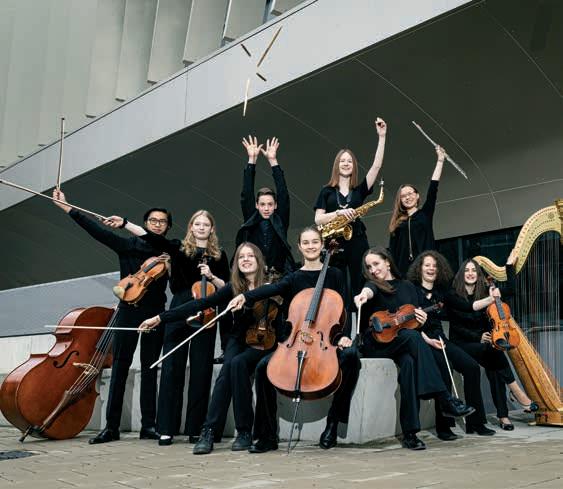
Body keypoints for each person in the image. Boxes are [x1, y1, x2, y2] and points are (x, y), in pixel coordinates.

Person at [52, 189, 170, 444]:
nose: (157, 225)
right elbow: (97, 231)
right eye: (153, 221)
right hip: (128, 312)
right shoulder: (127, 246)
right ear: (145, 223)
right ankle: (111, 427)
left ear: (167, 227)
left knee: (150, 368)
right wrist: (67, 208)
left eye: (162, 222)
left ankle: (149, 426)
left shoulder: (169, 253)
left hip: (156, 314)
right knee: (120, 368)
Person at [229, 226, 361, 452]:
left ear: (322, 245)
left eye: (315, 242)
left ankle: (332, 424)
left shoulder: (335, 274)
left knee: (351, 357)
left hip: (327, 340)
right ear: (299, 247)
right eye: (306, 243)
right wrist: (245, 296)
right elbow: (270, 290)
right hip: (297, 339)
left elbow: (344, 310)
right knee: (263, 368)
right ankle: (267, 436)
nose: (311, 246)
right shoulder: (293, 278)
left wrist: (343, 337)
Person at [139, 243, 279, 454]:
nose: (246, 259)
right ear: (236, 263)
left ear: (259, 260)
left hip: (265, 339)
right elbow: (198, 304)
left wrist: (249, 298)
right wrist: (160, 318)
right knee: (226, 373)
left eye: (250, 256)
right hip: (239, 338)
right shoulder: (233, 287)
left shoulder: (272, 284)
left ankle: (242, 431)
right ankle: (210, 430)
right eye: (241, 257)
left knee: (235, 365)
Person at [116, 209, 230, 444]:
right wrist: (126, 223)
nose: (201, 228)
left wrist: (211, 276)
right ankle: (166, 427)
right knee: (171, 369)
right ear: (191, 227)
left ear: (211, 229)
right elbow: (152, 238)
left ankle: (195, 429)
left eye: (205, 225)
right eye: (197, 224)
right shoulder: (178, 248)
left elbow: (227, 288)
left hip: (206, 310)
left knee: (201, 370)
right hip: (179, 307)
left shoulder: (219, 255)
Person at [354, 247, 474, 450]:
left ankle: (410, 434)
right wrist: (363, 295)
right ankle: (445, 399)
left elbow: (413, 324)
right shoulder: (372, 285)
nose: (373, 270)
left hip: (402, 342)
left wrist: (426, 334)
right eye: (369, 266)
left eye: (376, 264)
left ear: (387, 262)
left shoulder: (408, 287)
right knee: (410, 337)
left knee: (409, 363)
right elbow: (368, 290)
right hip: (377, 343)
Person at [406, 251, 495, 439]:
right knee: (445, 370)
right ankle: (443, 427)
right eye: (427, 265)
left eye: (434, 266)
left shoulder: (442, 293)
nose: (431, 269)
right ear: (420, 268)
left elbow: (466, 307)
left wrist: (490, 298)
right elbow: (408, 323)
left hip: (440, 339)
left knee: (471, 367)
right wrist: (426, 339)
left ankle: (476, 423)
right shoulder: (411, 290)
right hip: (422, 340)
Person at [447, 255, 538, 431]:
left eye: (474, 270)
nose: (470, 273)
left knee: (494, 365)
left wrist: (509, 266)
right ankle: (516, 392)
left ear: (478, 274)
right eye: (467, 270)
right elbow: (456, 326)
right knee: (494, 352)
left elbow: (510, 290)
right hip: (461, 344)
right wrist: (478, 337)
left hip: (484, 345)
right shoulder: (453, 295)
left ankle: (504, 416)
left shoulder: (484, 291)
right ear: (461, 274)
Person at [314, 118, 387, 303]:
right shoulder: (326, 191)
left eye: (349, 161)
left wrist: (382, 136)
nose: (346, 163)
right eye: (342, 161)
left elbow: (376, 166)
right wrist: (338, 213)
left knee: (360, 281)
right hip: (334, 243)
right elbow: (318, 219)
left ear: (354, 166)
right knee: (334, 286)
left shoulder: (359, 190)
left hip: (357, 240)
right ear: (336, 165)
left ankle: (361, 317)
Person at [237, 135, 296, 276]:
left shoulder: (280, 220)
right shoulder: (251, 219)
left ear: (275, 205)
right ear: (257, 205)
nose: (266, 208)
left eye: (270, 204)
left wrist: (273, 161)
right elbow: (247, 193)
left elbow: (283, 193)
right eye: (262, 204)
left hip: (279, 276)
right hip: (254, 276)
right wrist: (252, 160)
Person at [388, 145, 446, 277]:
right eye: (403, 196)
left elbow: (433, 189)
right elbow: (392, 250)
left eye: (410, 193)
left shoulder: (425, 214)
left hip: (424, 268)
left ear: (417, 195)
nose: (407, 197)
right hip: (403, 271)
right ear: (400, 200)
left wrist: (440, 161)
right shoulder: (397, 222)